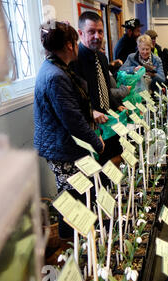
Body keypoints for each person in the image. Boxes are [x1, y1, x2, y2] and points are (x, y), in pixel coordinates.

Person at [34, 21, 104, 239]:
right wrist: (96, 141)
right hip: (63, 149)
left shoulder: (56, 68)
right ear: (70, 45)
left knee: (80, 195)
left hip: (65, 146)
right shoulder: (55, 76)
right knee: (73, 198)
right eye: (75, 40)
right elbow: (73, 120)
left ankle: (82, 242)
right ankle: (72, 245)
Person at [72, 11, 124, 166]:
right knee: (100, 169)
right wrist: (92, 112)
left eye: (100, 31)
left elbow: (104, 88)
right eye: (91, 32)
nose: (97, 36)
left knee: (115, 160)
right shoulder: (75, 60)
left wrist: (116, 105)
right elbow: (75, 97)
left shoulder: (102, 56)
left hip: (108, 121)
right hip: (91, 126)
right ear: (81, 33)